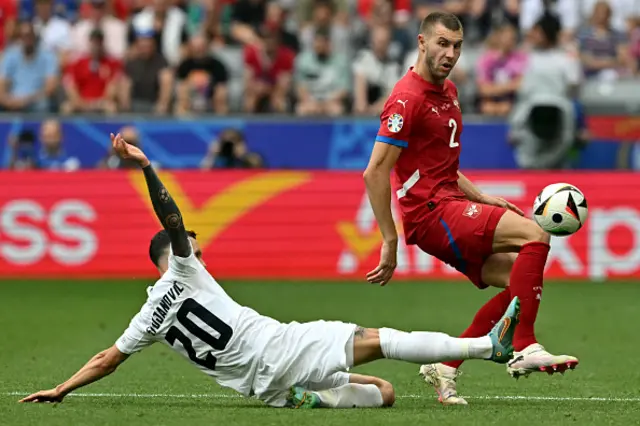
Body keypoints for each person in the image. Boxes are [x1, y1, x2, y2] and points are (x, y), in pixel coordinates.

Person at [20, 132, 521, 409]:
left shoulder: (148, 316)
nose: (198, 250)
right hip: (280, 348)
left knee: (384, 394)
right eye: (190, 244)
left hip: (263, 385)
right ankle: (485, 348)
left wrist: (61, 388)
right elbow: (170, 216)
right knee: (381, 339)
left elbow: (107, 360)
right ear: (171, 255)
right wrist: (147, 165)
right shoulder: (184, 270)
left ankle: (306, 398)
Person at [363, 12, 578, 407]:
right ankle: (525, 346)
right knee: (537, 233)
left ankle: (445, 366)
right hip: (431, 214)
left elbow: (440, 164)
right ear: (422, 42)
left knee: (522, 278)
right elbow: (375, 171)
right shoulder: (406, 99)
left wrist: (480, 197)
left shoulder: (448, 91)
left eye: (457, 46)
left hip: (451, 204)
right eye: (442, 43)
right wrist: (389, 240)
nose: (450, 54)